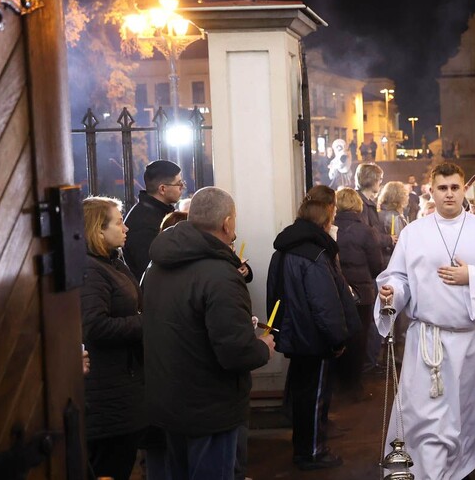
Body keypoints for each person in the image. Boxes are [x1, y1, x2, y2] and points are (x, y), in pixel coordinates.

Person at [376, 162, 475, 480]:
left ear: (464, 191)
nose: (449, 194)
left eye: (455, 187)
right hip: (428, 344)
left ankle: (458, 470)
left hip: (473, 343)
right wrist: (392, 293)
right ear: (432, 190)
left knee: (465, 417)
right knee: (426, 418)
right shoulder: (414, 233)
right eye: (442, 188)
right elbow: (398, 277)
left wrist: (472, 275)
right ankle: (429, 473)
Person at [142, 187, 275, 479]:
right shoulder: (220, 275)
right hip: (210, 408)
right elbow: (235, 352)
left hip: (168, 399)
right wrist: (263, 346)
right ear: (227, 222)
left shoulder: (156, 266)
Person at [267, 186, 361, 470]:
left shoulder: (284, 248)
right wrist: (337, 338)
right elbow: (324, 304)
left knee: (304, 394)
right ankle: (312, 452)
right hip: (315, 338)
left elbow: (275, 293)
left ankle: (305, 447)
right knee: (316, 396)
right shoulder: (315, 253)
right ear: (328, 213)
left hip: (295, 333)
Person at [81, 197, 146, 480]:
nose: (126, 228)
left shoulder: (110, 262)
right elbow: (93, 326)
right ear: (98, 229)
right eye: (119, 222)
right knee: (111, 466)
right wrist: (145, 322)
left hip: (122, 385)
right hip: (106, 391)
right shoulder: (92, 270)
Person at [334, 188, 384, 374]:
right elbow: (377, 264)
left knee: (340, 333)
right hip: (362, 292)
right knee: (361, 335)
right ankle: (355, 381)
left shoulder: (330, 229)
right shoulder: (366, 231)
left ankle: (340, 377)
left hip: (337, 290)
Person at [123, 160, 182, 281]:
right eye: (179, 184)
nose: (182, 187)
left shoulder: (159, 212)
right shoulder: (143, 222)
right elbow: (150, 269)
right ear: (162, 189)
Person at [355, 163, 395, 262]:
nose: (381, 182)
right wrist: (389, 239)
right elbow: (366, 234)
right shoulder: (360, 203)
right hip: (364, 259)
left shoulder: (363, 201)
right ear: (371, 179)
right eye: (380, 179)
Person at [377, 180, 409, 249]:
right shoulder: (396, 217)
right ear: (400, 196)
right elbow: (400, 243)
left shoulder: (378, 213)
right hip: (392, 257)